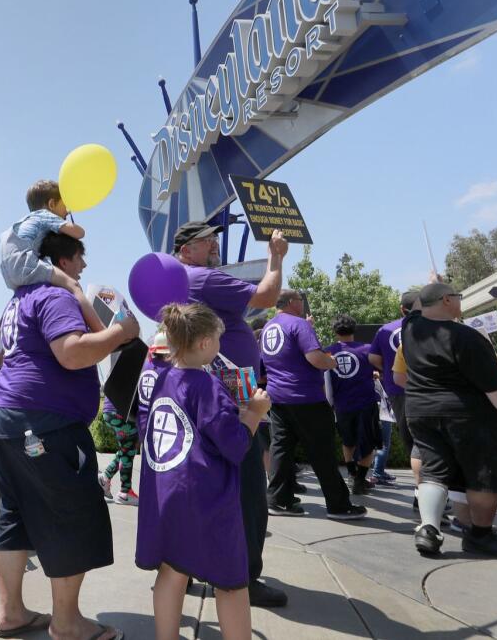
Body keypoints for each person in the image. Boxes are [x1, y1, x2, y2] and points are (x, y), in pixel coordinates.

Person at [0, 232, 138, 640]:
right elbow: (72, 353)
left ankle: (11, 613)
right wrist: (120, 332)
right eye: (79, 259)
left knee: (14, 515)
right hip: (46, 423)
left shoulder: (19, 299)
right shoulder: (54, 296)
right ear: (63, 260)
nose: (84, 267)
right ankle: (68, 624)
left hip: (7, 421)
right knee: (71, 514)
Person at [172, 221, 289, 608]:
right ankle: (243, 577)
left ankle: (185, 567)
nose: (215, 246)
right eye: (207, 242)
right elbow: (267, 295)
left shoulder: (178, 280)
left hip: (203, 395)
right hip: (232, 401)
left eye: (215, 240)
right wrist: (276, 255)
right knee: (248, 493)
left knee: (202, 485)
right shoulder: (202, 279)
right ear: (187, 250)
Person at [138, 303, 268, 640]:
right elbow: (235, 446)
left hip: (167, 492)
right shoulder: (208, 387)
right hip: (205, 498)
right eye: (218, 339)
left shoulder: (163, 380)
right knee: (231, 582)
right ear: (205, 344)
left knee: (172, 569)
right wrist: (254, 413)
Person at [401, 283, 497, 559]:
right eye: (458, 297)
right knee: (483, 475)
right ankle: (481, 536)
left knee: (434, 470)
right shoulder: (467, 337)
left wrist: (432, 285)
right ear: (447, 299)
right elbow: (493, 386)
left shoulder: (410, 328)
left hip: (420, 411)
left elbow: (420, 305)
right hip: (467, 416)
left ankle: (428, 528)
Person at [262, 290, 365, 520]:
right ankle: (338, 505)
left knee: (281, 449)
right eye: (301, 301)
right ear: (292, 303)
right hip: (305, 397)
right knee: (322, 451)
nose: (303, 305)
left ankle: (278, 499)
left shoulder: (269, 327)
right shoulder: (299, 325)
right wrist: (331, 361)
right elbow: (315, 358)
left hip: (278, 398)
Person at [0, 179, 104, 332]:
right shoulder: (44, 215)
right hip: (25, 265)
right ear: (51, 205)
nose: (67, 211)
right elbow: (79, 233)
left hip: (9, 275)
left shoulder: (22, 222)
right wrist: (72, 223)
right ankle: (101, 330)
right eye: (65, 205)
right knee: (73, 286)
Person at [325, 314, 382, 496]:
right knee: (368, 443)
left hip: (341, 405)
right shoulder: (367, 349)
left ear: (334, 331)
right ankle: (359, 481)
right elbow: (380, 368)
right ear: (354, 329)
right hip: (365, 402)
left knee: (347, 441)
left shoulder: (328, 352)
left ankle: (351, 473)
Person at [370, 291, 421, 489]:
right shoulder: (431, 327)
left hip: (397, 389)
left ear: (402, 309)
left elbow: (373, 359)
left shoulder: (386, 330)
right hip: (429, 390)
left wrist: (388, 370)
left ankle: (422, 491)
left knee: (412, 441)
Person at [98, 395, 139, 505]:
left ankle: (104, 478)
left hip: (109, 409)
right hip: (122, 411)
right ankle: (125, 493)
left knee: (125, 449)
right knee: (128, 450)